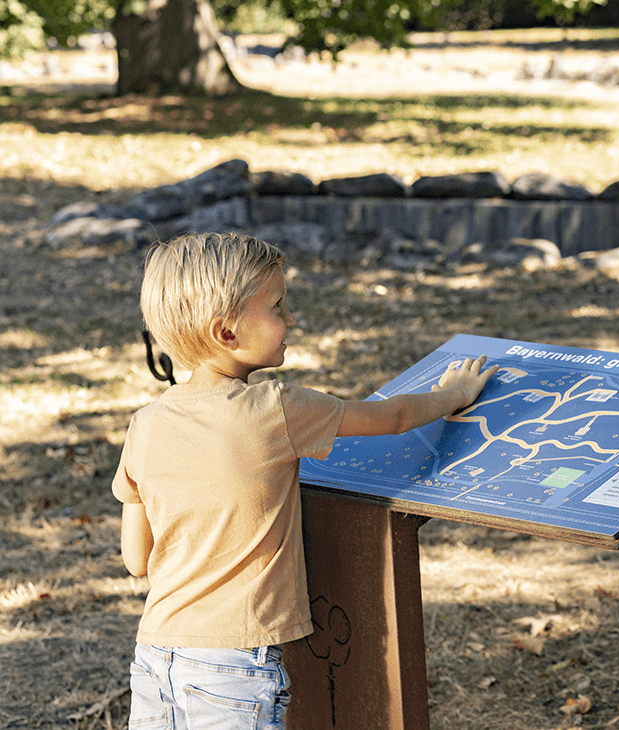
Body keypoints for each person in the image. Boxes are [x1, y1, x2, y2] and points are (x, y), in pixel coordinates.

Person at [112, 232, 497, 729]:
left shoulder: (145, 424)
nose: (291, 318)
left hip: (156, 655)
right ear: (226, 332)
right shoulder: (275, 408)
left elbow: (135, 559)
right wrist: (454, 393)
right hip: (234, 664)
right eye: (277, 306)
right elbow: (396, 416)